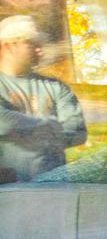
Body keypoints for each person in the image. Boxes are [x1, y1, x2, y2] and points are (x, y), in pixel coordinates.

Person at [0, 15, 87, 184]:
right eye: (32, 43)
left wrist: (23, 131)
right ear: (9, 46)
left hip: (54, 188)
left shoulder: (56, 87)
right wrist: (46, 126)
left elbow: (77, 132)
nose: (40, 50)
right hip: (7, 192)